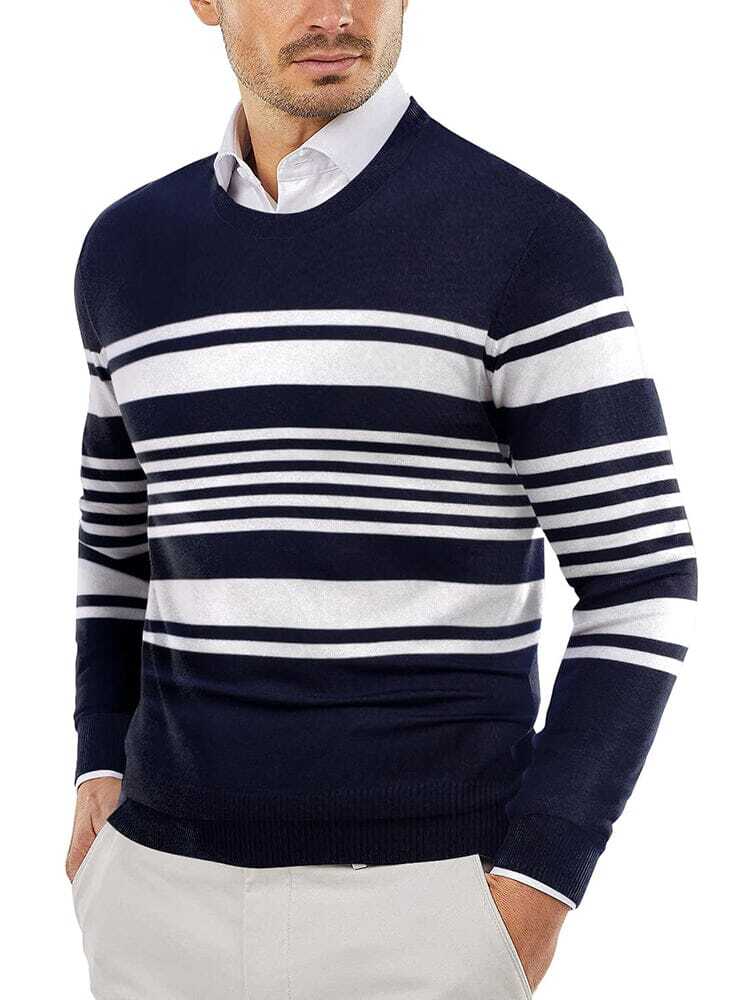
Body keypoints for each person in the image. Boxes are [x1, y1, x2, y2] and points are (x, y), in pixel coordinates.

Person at [65, 2, 698, 997]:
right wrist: (97, 759)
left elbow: (642, 583)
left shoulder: (526, 240)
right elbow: (117, 546)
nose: (335, 12)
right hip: (153, 892)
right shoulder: (127, 251)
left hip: (424, 907)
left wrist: (538, 882)